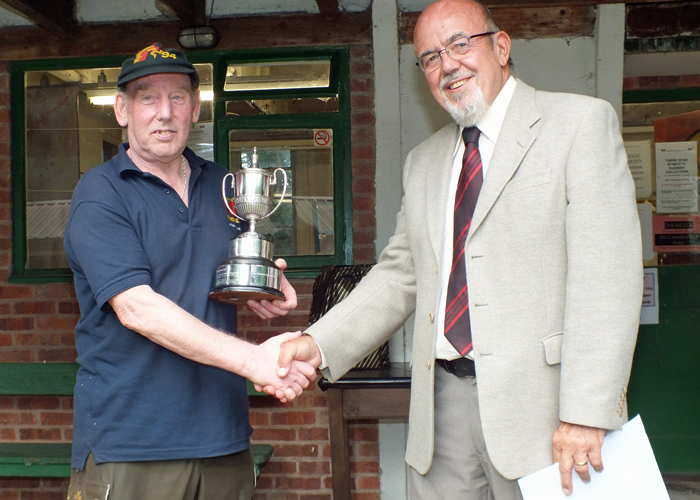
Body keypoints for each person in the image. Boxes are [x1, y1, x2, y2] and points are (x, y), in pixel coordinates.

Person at [276, 1, 643, 498]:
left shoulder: (578, 125)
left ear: (502, 46)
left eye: (459, 44)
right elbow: (400, 275)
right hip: (440, 409)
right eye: (429, 57)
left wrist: (585, 412)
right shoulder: (424, 162)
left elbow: (608, 278)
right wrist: (317, 344)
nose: (447, 64)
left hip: (547, 411)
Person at [64, 43, 315, 500]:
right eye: (147, 98)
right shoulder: (100, 194)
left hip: (223, 438)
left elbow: (210, 277)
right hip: (134, 445)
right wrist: (255, 361)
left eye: (177, 97)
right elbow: (138, 308)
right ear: (122, 109)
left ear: (194, 108)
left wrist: (261, 281)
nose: (164, 113)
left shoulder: (222, 186)